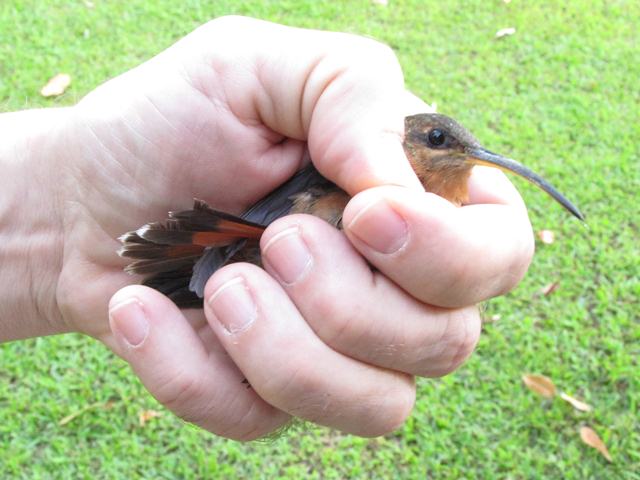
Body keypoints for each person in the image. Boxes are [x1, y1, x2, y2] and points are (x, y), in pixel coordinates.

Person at [0, 16, 534, 440]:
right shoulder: (368, 165)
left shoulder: (446, 205)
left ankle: (215, 282)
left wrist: (64, 224)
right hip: (272, 226)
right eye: (439, 141)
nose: (461, 158)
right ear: (403, 140)